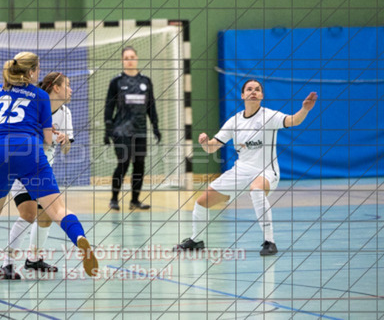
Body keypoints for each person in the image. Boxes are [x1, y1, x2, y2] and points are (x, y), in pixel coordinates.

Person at [0, 52, 98, 281]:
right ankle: (79, 239)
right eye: (38, 69)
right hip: (30, 153)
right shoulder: (40, 96)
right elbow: (47, 140)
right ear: (32, 72)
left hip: (0, 152)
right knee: (58, 210)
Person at [176, 80, 318, 256]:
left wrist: (305, 109)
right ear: (243, 95)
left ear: (261, 95)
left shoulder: (269, 116)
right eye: (249, 89)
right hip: (241, 171)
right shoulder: (234, 121)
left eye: (257, 89)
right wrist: (205, 143)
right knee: (202, 202)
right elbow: (212, 148)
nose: (253, 92)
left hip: (266, 172)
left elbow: (293, 120)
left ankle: (270, 242)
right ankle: (196, 240)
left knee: (256, 190)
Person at [0, 72, 74, 279]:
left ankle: (33, 259)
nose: (71, 90)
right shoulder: (32, 107)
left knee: (46, 217)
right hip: (21, 166)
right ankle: (7, 264)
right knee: (28, 214)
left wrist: (64, 140)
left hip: (43, 172)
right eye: (67, 85)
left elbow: (66, 149)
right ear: (56, 88)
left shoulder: (65, 113)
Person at [104, 46, 161, 211]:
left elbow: (151, 106)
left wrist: (155, 126)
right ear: (122, 61)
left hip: (140, 131)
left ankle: (135, 200)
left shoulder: (145, 81)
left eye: (132, 57)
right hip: (121, 130)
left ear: (136, 58)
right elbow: (109, 106)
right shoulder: (116, 82)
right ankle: (114, 199)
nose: (129, 60)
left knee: (139, 165)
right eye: (126, 58)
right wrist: (108, 128)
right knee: (123, 163)